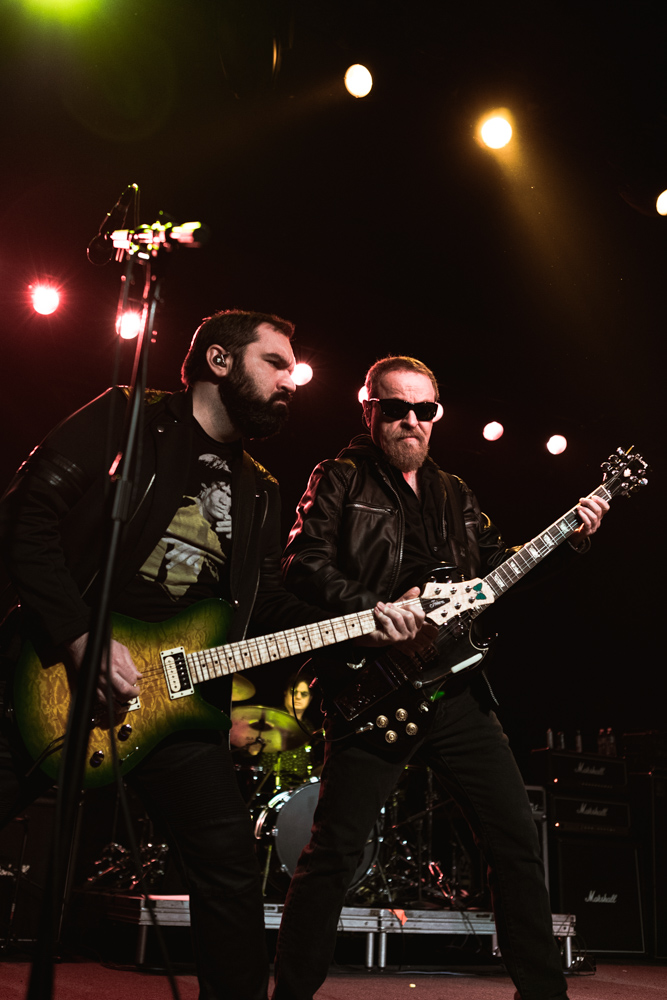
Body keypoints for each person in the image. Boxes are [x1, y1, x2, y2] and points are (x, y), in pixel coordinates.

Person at [0, 315, 423, 1000]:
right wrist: (78, 637)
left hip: (181, 702)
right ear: (219, 360)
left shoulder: (260, 487)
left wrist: (362, 623)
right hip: (51, 668)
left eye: (293, 369)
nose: (291, 380)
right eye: (276, 363)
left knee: (227, 869)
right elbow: (27, 516)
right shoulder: (128, 418)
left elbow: (268, 609)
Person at [273, 355, 609, 1000]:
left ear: (436, 415)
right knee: (334, 855)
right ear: (368, 409)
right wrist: (372, 609)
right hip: (377, 688)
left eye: (422, 410)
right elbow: (301, 563)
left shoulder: (456, 492)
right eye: (394, 408)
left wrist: (572, 536)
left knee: (514, 843)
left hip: (456, 691)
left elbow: (500, 571)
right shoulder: (340, 477)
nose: (409, 421)